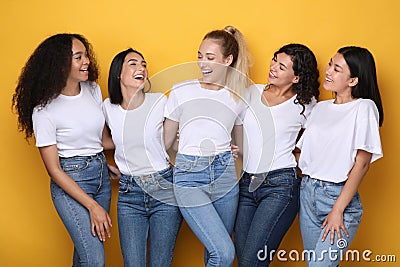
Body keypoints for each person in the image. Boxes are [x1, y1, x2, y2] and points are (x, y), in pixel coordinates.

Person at [12, 33, 112, 266]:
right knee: (94, 259)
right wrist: (92, 206)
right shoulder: (44, 110)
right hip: (70, 181)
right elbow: (54, 170)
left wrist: (147, 134)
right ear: (60, 64)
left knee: (84, 256)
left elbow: (103, 140)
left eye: (85, 55)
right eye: (78, 57)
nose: (86, 61)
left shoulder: (93, 90)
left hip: (100, 177)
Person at [163, 26, 252, 267]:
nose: (203, 63)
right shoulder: (182, 91)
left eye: (210, 58)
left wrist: (235, 149)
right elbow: (165, 142)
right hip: (189, 176)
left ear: (228, 60)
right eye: (200, 56)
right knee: (224, 253)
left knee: (215, 253)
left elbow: (243, 146)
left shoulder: (237, 96)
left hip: (225, 177)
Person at [234, 43, 320, 266]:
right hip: (245, 184)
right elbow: (231, 126)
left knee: (251, 262)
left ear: (296, 78)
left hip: (280, 186)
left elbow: (318, 145)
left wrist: (301, 161)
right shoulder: (251, 92)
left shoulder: (306, 104)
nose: (273, 67)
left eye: (282, 66)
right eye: (274, 60)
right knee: (245, 260)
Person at [296, 46, 384, 266]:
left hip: (337, 198)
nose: (328, 71)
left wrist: (338, 210)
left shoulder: (364, 108)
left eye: (337, 69)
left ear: (353, 80)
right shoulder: (320, 108)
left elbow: (362, 164)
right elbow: (303, 153)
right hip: (307, 192)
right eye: (330, 65)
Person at [102, 48, 182, 267]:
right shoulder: (108, 108)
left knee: (160, 264)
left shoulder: (159, 102)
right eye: (133, 64)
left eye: (144, 64)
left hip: (164, 189)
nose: (142, 69)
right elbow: (102, 141)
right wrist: (105, 163)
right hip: (129, 194)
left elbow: (176, 139)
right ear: (119, 72)